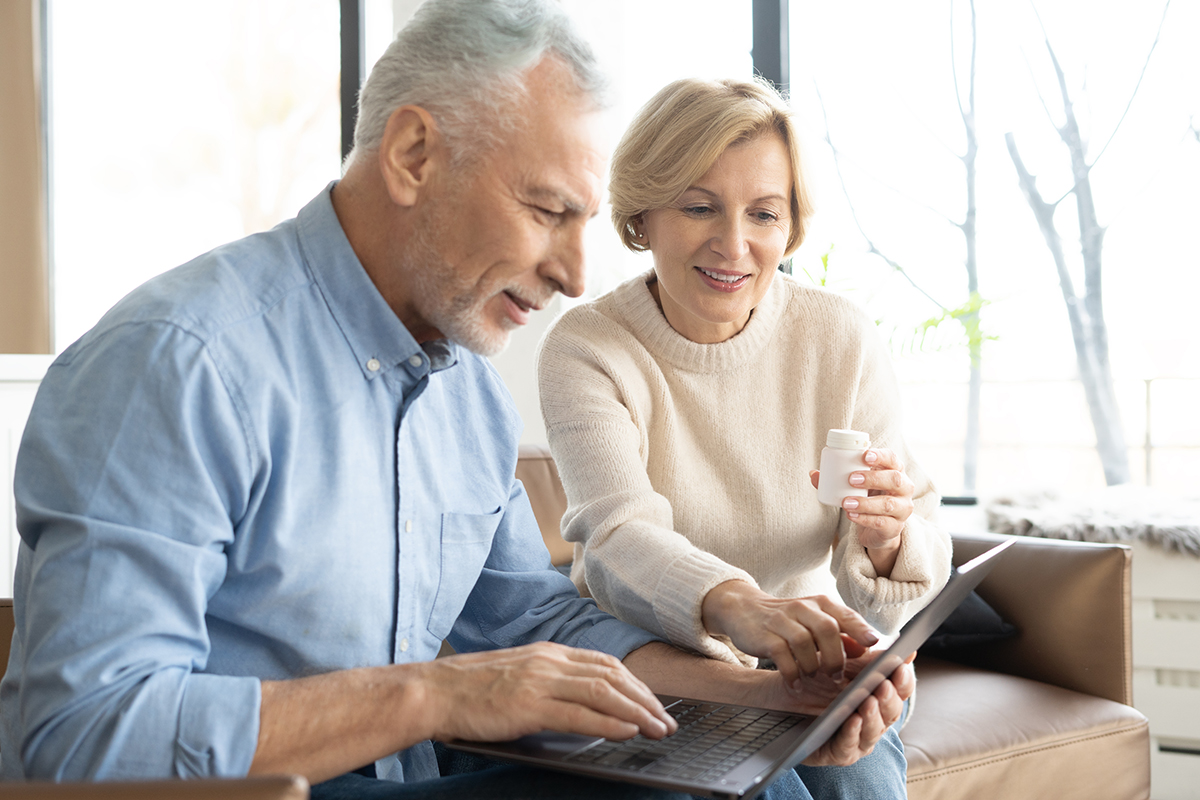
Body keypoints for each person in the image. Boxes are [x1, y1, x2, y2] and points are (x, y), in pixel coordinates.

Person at [0, 3, 912, 798]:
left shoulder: (463, 391)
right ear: (412, 154)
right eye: (548, 212)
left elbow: (532, 618)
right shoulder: (179, 363)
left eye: (583, 223)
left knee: (764, 775)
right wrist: (433, 694)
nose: (573, 275)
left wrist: (766, 695)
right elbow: (79, 737)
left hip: (413, 779)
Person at [536, 77, 954, 798]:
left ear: (789, 227)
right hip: (667, 666)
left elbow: (905, 571)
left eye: (764, 213)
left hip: (817, 656)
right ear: (643, 216)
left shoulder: (839, 338)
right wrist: (744, 609)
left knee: (858, 778)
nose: (733, 245)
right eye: (699, 207)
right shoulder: (589, 348)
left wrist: (888, 541)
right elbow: (618, 536)